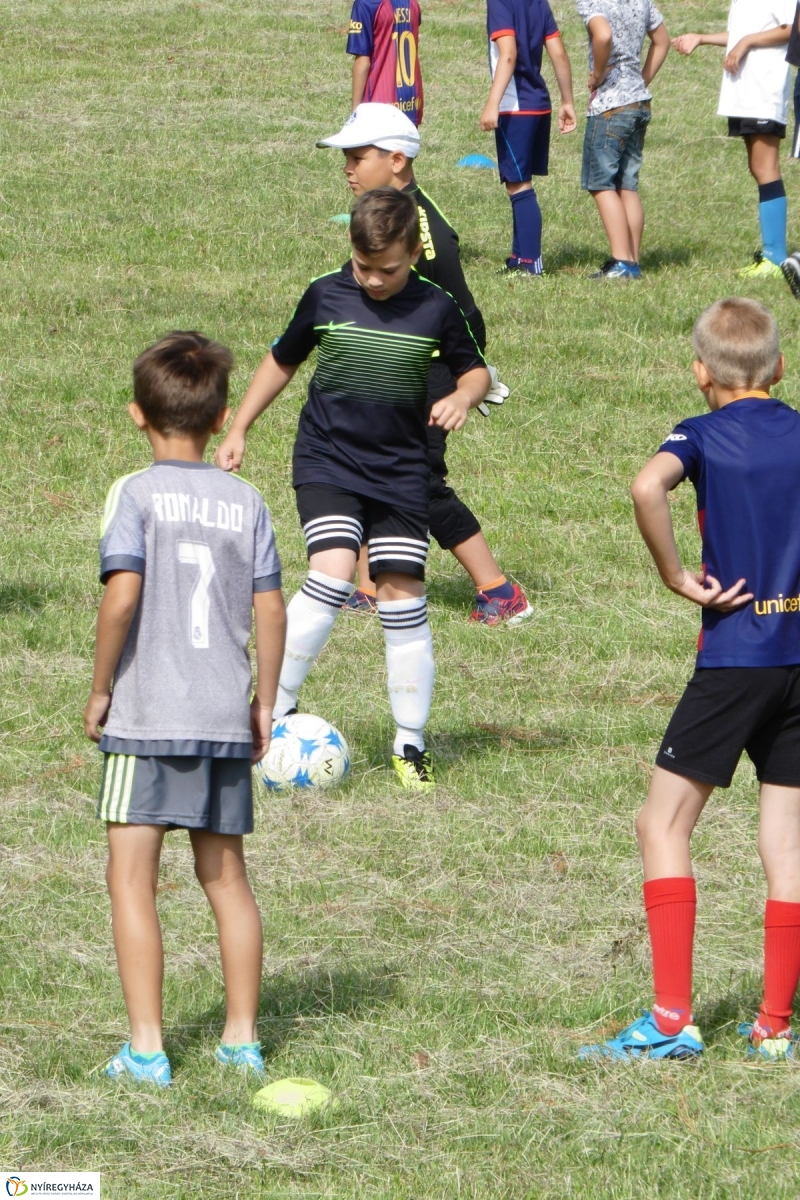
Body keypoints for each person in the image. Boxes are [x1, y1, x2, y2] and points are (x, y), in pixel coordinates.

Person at [582, 298, 800, 1062]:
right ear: (779, 368)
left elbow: (648, 487)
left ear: (702, 373)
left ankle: (672, 1020)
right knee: (787, 842)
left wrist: (676, 576)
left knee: (662, 826)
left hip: (737, 658)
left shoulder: (700, 435)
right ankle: (774, 1024)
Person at [215, 189, 490, 790]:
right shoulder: (326, 294)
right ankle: (275, 710)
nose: (373, 280)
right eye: (364, 266)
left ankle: (410, 743)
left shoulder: (436, 306)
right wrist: (239, 427)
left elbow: (475, 370)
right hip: (328, 461)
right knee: (334, 572)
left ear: (413, 254)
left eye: (387, 269)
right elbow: (281, 360)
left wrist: (462, 397)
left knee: (402, 598)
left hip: (401, 472)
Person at [84, 332, 286, 1086]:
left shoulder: (135, 494)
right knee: (226, 879)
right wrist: (265, 701)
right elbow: (272, 610)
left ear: (137, 414)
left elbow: (122, 596)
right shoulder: (247, 501)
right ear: (223, 416)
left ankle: (146, 1050)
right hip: (221, 717)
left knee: (130, 879)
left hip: (145, 718)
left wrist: (101, 686)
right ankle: (241, 1040)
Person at [316, 103, 533, 625]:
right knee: (365, 468)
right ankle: (369, 587)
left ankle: (500, 591)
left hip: (427, 373)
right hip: (392, 371)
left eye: (358, 157)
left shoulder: (424, 232)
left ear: (396, 160)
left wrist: (466, 381)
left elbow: (461, 311)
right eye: (346, 157)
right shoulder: (385, 216)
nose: (347, 168)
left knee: (419, 483)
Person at [672, 3, 793, 280]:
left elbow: (791, 29)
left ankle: (775, 257)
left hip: (764, 90)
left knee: (766, 168)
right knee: (758, 168)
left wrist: (746, 42)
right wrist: (701, 38)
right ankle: (772, 254)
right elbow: (740, 33)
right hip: (745, 93)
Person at [479, 0, 577, 275]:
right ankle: (518, 256)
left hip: (515, 107)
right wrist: (567, 100)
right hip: (540, 105)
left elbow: (508, 54)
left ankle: (530, 261)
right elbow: (558, 52)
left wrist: (492, 103)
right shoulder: (538, 2)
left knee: (519, 185)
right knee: (517, 181)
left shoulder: (500, 2)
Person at [576, 0, 669, 279]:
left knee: (600, 183)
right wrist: (641, 80)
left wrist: (599, 74)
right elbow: (662, 40)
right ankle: (632, 261)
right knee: (627, 185)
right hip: (638, 102)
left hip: (610, 105)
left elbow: (603, 35)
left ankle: (622, 260)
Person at [347, 0, 423, 125]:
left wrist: (354, 114)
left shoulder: (366, 4)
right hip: (412, 102)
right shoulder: (413, 3)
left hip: (380, 104)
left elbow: (363, 63)